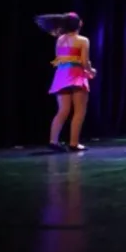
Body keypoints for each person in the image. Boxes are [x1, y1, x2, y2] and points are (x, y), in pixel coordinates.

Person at [35, 12, 96, 152]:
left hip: (62, 75)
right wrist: (91, 71)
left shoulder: (60, 39)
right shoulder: (83, 40)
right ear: (78, 24)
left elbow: (61, 59)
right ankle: (74, 143)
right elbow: (84, 62)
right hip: (76, 75)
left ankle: (53, 141)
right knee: (79, 111)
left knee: (63, 110)